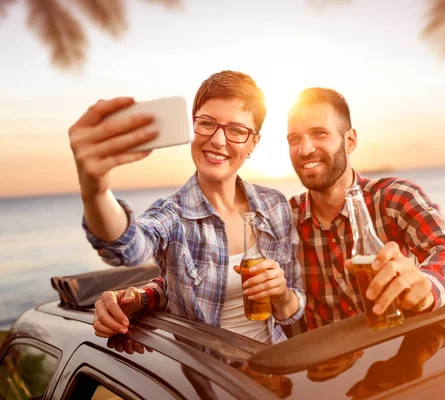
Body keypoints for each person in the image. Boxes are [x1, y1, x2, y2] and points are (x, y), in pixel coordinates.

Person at [69, 70, 305, 344]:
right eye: (206, 124)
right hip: (204, 379)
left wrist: (283, 296)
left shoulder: (274, 205)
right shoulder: (172, 215)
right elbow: (128, 248)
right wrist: (95, 190)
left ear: (253, 142)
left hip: (275, 368)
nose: (218, 140)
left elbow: (294, 306)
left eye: (237, 130)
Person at [285, 88, 445, 331]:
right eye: (294, 139)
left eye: (319, 134)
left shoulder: (394, 197)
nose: (305, 150)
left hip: (397, 353)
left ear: (350, 140)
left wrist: (426, 286)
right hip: (329, 364)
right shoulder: (286, 219)